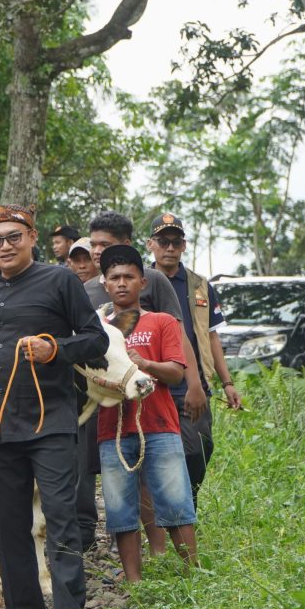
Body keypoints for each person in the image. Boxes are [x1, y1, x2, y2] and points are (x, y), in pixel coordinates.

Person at [0, 205, 108, 609]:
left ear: (32, 237)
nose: (6, 246)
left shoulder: (60, 280)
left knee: (60, 517)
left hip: (51, 421)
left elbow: (96, 340)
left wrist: (55, 348)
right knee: (9, 527)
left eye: (14, 237)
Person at [76, 211, 206, 555]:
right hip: (106, 408)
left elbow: (179, 337)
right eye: (95, 245)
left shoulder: (155, 286)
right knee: (111, 482)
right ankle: (98, 542)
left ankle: (160, 550)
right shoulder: (84, 290)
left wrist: (194, 383)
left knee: (164, 482)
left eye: (106, 244)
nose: (99, 250)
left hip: (157, 402)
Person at [96, 244, 198, 581]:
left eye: (129, 277)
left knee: (176, 503)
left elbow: (177, 373)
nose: (122, 283)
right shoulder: (96, 328)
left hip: (160, 425)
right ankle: (135, 583)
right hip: (111, 428)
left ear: (144, 282)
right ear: (105, 283)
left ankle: (191, 576)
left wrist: (145, 364)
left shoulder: (162, 322)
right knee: (120, 511)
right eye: (114, 278)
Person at [146, 214, 242, 507]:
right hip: (155, 381)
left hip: (195, 383)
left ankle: (186, 504)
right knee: (154, 452)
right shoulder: (140, 281)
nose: (169, 248)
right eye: (163, 242)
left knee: (200, 447)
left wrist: (227, 383)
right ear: (151, 244)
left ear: (184, 246)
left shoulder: (200, 285)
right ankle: (163, 514)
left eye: (176, 242)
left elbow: (212, 336)